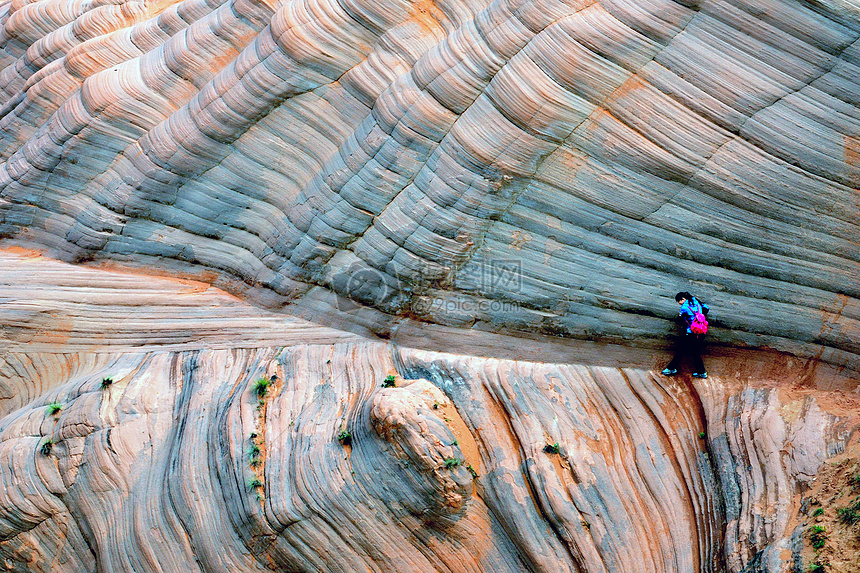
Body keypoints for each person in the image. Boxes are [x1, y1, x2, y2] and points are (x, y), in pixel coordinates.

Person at [661, 291, 709, 378]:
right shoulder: (697, 302)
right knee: (695, 353)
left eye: (679, 301)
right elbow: (706, 308)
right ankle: (702, 372)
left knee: (681, 351)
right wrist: (700, 315)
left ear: (683, 299)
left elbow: (681, 320)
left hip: (691, 333)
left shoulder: (684, 307)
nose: (679, 303)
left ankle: (670, 368)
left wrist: (680, 316)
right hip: (701, 332)